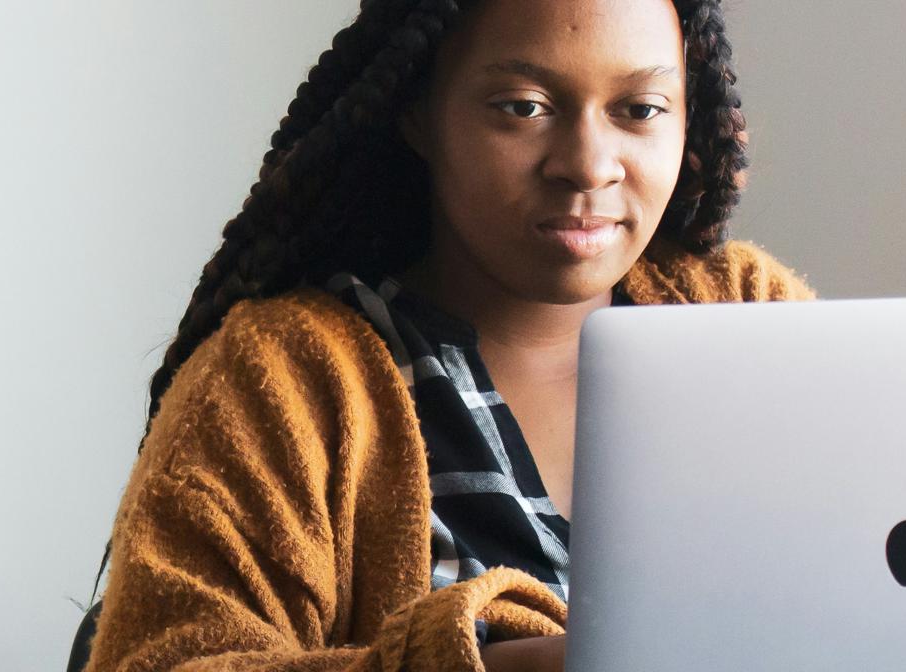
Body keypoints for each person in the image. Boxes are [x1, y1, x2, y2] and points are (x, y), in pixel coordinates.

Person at [79, 0, 814, 669]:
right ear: (419, 112)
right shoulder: (283, 379)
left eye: (640, 109)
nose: (588, 164)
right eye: (524, 107)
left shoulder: (745, 315)